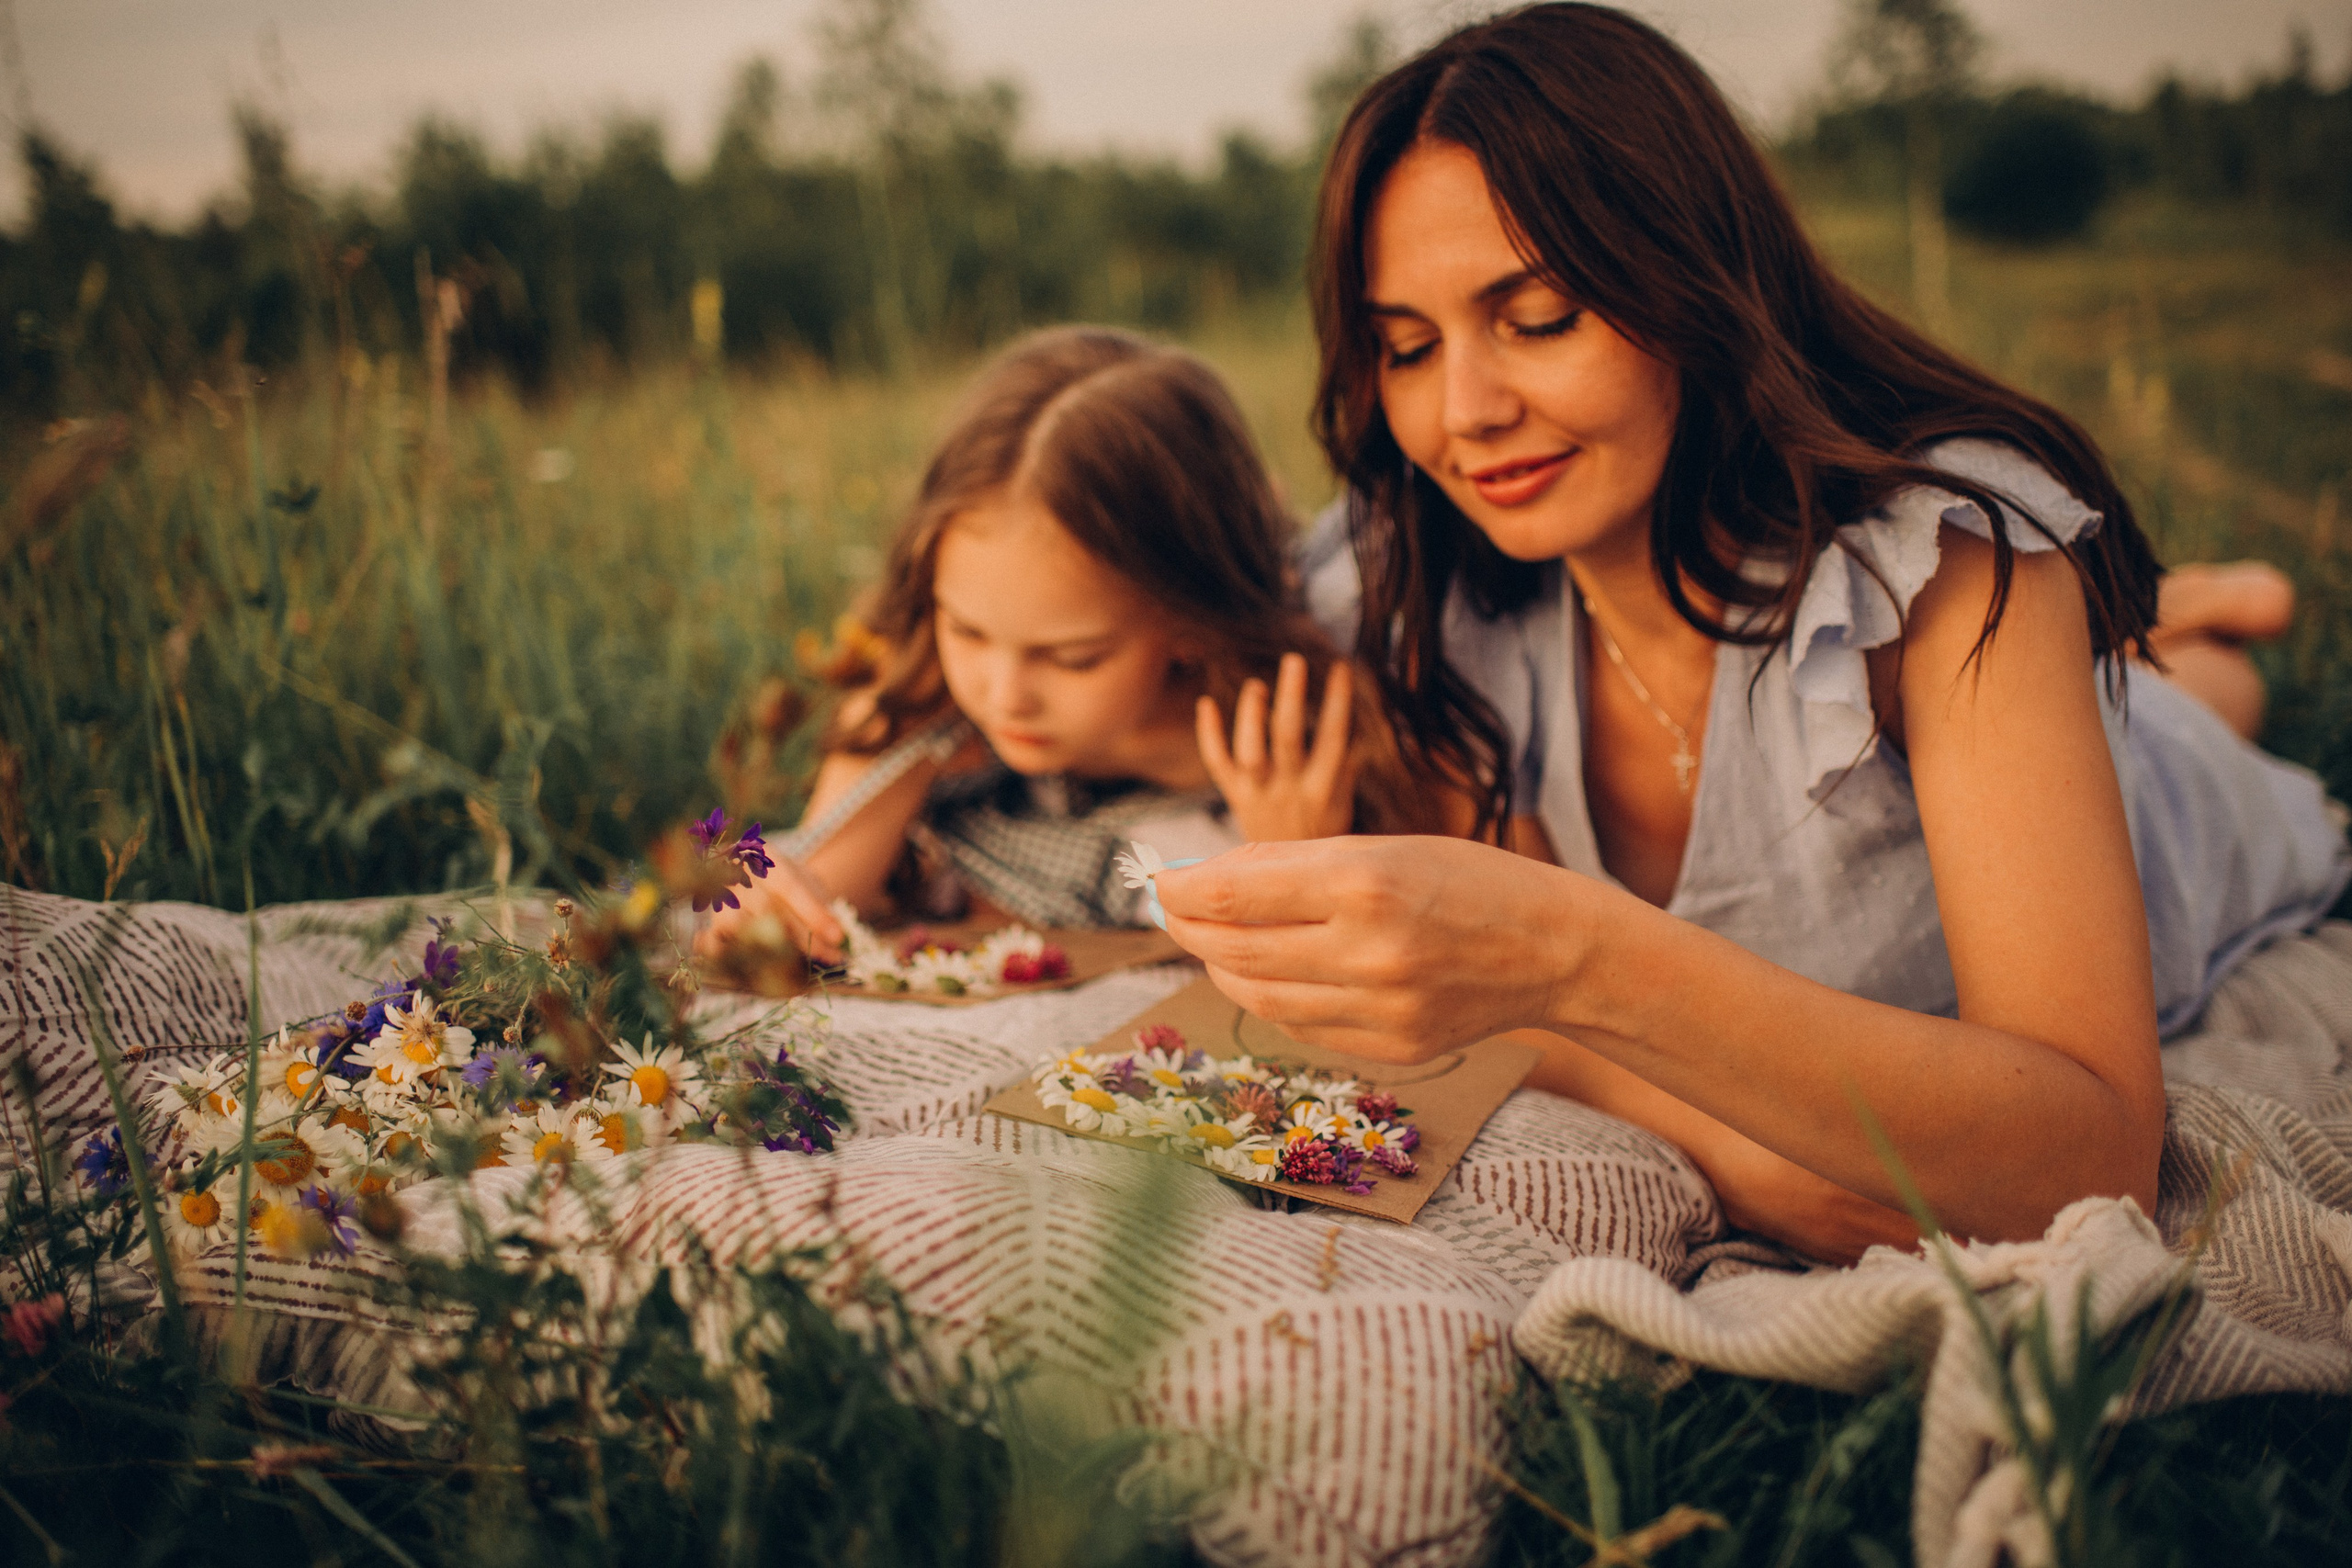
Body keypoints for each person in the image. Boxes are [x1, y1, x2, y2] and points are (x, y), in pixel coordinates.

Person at [1154, 4, 2351, 1263]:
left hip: (2170, 807)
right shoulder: (1434, 564)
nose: (1465, 414)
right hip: (1971, 702)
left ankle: (2178, 643)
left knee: (2186, 719)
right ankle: (2167, 631)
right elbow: (1139, 657)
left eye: (1541, 317)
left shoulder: (1944, 568)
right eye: (1406, 346)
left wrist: (1571, 960)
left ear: (1686, 276)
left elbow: (2089, 1163)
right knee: (2151, 687)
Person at [702, 325, 1432, 964]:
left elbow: (1331, 935)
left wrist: (1292, 853)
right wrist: (781, 894)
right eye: (968, 629)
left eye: (1071, 656)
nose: (1002, 691)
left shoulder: (1280, 735)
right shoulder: (924, 687)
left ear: (1188, 620)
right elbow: (829, 879)